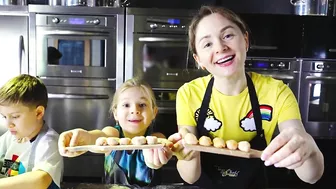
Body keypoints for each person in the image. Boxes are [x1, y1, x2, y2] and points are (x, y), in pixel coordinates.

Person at [168, 5, 324, 189]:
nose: (220, 47)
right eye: (207, 44)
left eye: (227, 35)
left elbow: (311, 176)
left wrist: (309, 149)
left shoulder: (277, 92)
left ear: (245, 40)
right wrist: (190, 156)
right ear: (199, 60)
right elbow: (191, 178)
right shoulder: (188, 94)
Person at [58, 78, 173, 187]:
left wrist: (157, 155)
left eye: (142, 105)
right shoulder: (112, 134)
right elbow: (99, 137)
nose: (135, 110)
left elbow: (161, 145)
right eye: (126, 105)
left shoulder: (155, 138)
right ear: (115, 113)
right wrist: (85, 137)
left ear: (154, 112)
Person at [0, 74, 63, 189]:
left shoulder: (49, 141)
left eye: (15, 116)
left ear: (38, 113)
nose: (8, 124)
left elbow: (40, 180)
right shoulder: (9, 137)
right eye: (4, 117)